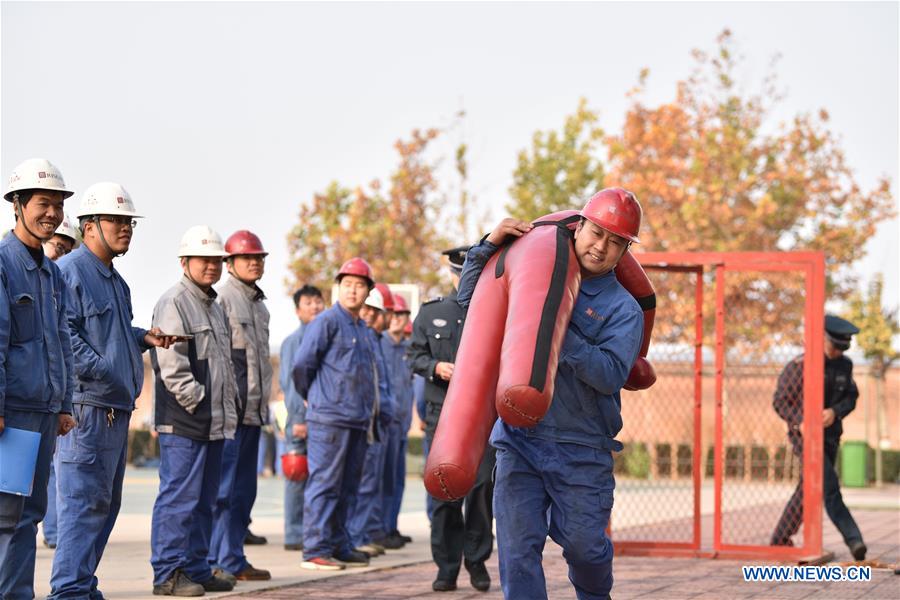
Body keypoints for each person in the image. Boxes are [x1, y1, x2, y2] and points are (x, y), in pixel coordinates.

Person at [456, 188, 645, 599]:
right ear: (579, 227)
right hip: (519, 441)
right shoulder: (535, 273)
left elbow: (611, 373)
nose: (602, 247)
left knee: (585, 549)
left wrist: (553, 328)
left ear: (625, 250)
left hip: (581, 447)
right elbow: (473, 306)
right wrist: (485, 249)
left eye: (616, 242)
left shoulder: (622, 308)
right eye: (597, 233)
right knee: (517, 552)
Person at [50, 182, 177, 599]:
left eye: (129, 222)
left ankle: (82, 586)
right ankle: (68, 591)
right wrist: (104, 370)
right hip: (89, 408)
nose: (126, 229)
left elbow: (110, 332)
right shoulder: (70, 271)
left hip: (114, 408)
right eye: (116, 220)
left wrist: (145, 337)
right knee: (83, 505)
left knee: (105, 507)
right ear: (89, 225)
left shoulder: (116, 283)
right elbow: (63, 334)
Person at [0, 158, 77, 599]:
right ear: (18, 205)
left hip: (44, 412)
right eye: (43, 203)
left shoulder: (51, 273)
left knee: (30, 514)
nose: (52, 213)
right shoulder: (4, 264)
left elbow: (61, 339)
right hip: (12, 415)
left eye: (57, 205)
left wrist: (64, 404)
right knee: (8, 517)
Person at [149, 225, 239, 596]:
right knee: (179, 500)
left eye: (217, 260)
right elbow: (172, 365)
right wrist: (199, 401)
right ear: (185, 262)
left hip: (211, 421)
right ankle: (168, 574)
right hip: (185, 420)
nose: (212, 266)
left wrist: (219, 408)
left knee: (205, 501)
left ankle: (197, 567)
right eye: (205, 259)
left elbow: (222, 364)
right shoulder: (174, 302)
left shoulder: (213, 306)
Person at [409, 245, 495, 593]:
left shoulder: (491, 311)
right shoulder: (431, 313)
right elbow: (414, 355)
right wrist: (436, 367)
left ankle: (476, 561)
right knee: (444, 493)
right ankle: (446, 567)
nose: (464, 281)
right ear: (452, 275)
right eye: (460, 275)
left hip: (481, 418)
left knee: (481, 491)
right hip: (441, 415)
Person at [292, 257, 380, 570]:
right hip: (329, 418)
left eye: (359, 285)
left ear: (368, 291)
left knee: (348, 487)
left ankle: (340, 545)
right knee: (325, 484)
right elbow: (302, 366)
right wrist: (315, 399)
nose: (353, 291)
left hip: (357, 420)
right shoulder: (327, 322)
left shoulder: (364, 329)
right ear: (338, 288)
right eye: (347, 285)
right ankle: (315, 549)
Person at [771, 314, 867, 561]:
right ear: (821, 339)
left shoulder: (844, 365)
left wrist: (835, 412)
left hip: (831, 436)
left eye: (842, 348)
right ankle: (854, 539)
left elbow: (851, 397)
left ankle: (780, 540)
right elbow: (780, 401)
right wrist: (800, 421)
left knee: (808, 489)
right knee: (829, 487)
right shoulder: (799, 366)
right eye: (834, 346)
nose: (837, 352)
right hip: (805, 439)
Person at [208, 230, 273, 582]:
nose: (254, 262)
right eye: (247, 257)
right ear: (229, 263)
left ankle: (233, 557)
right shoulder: (223, 299)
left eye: (259, 257)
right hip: (231, 413)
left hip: (253, 413)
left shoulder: (259, 304)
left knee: (244, 491)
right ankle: (216, 559)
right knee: (223, 491)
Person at [41, 212, 80, 551]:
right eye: (58, 246)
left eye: (69, 249)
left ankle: (54, 533)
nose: (62, 255)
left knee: (52, 472)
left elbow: (64, 345)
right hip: (20, 400)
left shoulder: (58, 286)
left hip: (50, 399)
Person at [347, 286, 395, 556]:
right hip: (365, 422)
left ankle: (362, 533)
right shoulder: (362, 339)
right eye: (366, 310)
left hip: (378, 422)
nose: (369, 316)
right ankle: (355, 537)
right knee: (361, 484)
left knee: (371, 484)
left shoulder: (376, 340)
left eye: (373, 311)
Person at [280, 285, 325, 551]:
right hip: (301, 421)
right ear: (298, 310)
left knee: (319, 478)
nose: (315, 307)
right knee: (296, 476)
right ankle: (294, 533)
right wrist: (299, 419)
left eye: (318, 301)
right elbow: (290, 384)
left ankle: (313, 530)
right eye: (308, 303)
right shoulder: (292, 342)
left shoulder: (327, 336)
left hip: (323, 420)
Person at [380, 292, 415, 546]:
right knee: (382, 478)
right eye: (394, 314)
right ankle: (379, 528)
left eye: (402, 314)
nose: (397, 319)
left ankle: (391, 526)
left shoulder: (408, 350)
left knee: (397, 479)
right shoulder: (378, 343)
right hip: (383, 423)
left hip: (401, 423)